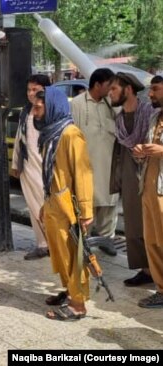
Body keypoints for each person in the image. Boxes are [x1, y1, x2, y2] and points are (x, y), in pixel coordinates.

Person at [32, 88, 94, 321]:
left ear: (52, 106)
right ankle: (69, 291)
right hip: (54, 204)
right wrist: (45, 204)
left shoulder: (70, 134)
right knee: (60, 254)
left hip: (69, 208)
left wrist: (86, 211)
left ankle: (77, 305)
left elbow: (83, 173)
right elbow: (51, 175)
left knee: (73, 255)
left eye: (39, 107)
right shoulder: (50, 134)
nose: (34, 113)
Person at [109, 72, 155, 286]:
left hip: (151, 174)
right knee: (134, 225)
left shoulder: (150, 113)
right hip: (130, 174)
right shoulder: (118, 120)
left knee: (156, 225)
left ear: (128, 89)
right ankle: (146, 271)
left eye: (114, 89)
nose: (110, 93)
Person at [71, 68, 118, 255]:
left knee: (109, 204)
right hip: (85, 165)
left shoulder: (113, 103)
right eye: (109, 85)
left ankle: (108, 241)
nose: (112, 89)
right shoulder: (77, 103)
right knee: (85, 204)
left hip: (109, 164)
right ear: (98, 85)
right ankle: (84, 243)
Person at [11, 74, 52, 261]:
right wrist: (15, 163)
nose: (30, 93)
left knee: (47, 207)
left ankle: (56, 243)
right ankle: (43, 244)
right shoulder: (26, 111)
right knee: (34, 207)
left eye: (35, 89)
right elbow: (21, 137)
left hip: (45, 167)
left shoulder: (51, 110)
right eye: (29, 90)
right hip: (28, 166)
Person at [133, 75, 163, 308]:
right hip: (149, 188)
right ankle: (161, 290)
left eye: (155, 89)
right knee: (152, 241)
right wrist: (140, 152)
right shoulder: (154, 116)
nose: (150, 94)